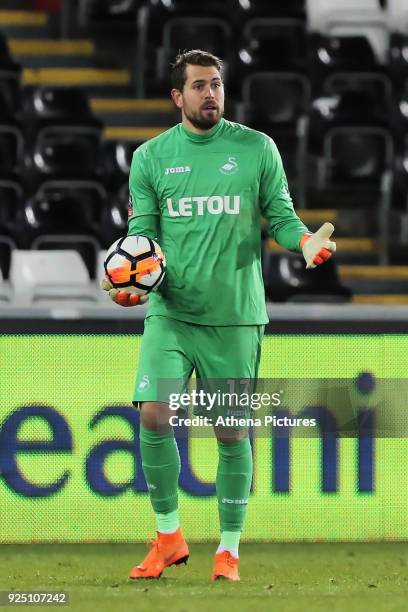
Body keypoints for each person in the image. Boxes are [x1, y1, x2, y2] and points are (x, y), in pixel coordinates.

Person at [101, 49, 336, 582]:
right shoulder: (152, 158)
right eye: (200, 86)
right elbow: (143, 234)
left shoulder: (256, 149)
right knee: (154, 416)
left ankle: (228, 551)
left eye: (217, 85)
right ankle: (167, 537)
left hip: (234, 315)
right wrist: (128, 281)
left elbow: (280, 215)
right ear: (177, 96)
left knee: (231, 434)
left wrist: (302, 243)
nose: (211, 94)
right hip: (172, 312)